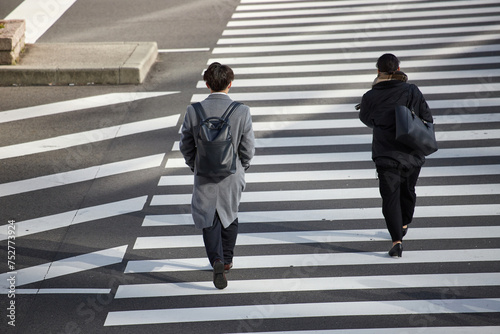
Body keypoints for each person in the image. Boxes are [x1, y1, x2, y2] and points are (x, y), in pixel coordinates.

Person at [179, 62, 255, 288]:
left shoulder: (194, 111)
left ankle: (217, 259)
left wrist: (195, 165)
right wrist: (243, 166)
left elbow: (186, 144)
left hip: (204, 173)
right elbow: (248, 147)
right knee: (229, 213)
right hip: (232, 173)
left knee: (208, 216)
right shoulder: (242, 111)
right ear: (230, 84)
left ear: (207, 84)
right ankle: (228, 260)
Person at [359, 53, 433, 258]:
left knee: (390, 197)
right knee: (408, 191)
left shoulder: (370, 96)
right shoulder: (411, 90)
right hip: (411, 151)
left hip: (385, 154)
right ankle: (403, 223)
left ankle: (396, 241)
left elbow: (366, 119)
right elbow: (427, 116)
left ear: (378, 71)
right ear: (398, 70)